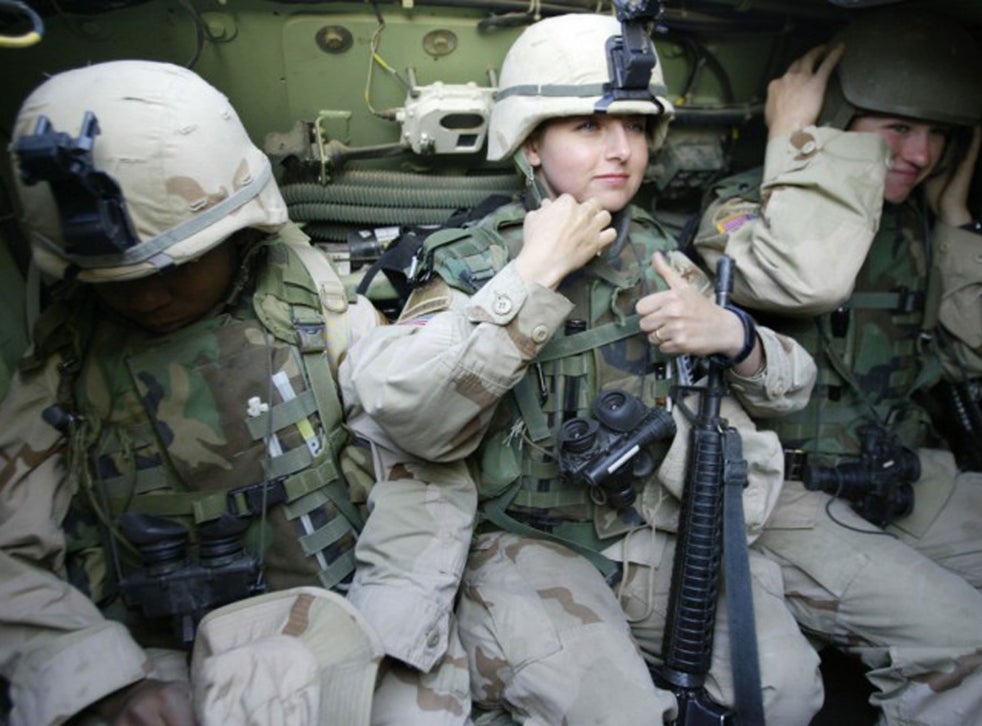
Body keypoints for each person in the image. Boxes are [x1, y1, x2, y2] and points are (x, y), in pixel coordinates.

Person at [341, 13, 825, 724]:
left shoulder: (663, 253)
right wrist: (533, 275)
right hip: (520, 546)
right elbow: (412, 415)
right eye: (590, 128)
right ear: (531, 145)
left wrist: (732, 335)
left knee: (785, 693)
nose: (622, 150)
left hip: (657, 528)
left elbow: (794, 388)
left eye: (635, 127)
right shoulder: (471, 263)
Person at [0, 60, 398, 725]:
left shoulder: (317, 311)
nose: (149, 296)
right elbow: (9, 556)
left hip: (332, 622)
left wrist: (385, 620)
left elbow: (417, 481)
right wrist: (105, 681)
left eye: (175, 266)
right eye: (114, 280)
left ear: (241, 231)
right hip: (139, 654)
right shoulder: (63, 361)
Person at [693, 8, 982, 723]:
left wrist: (952, 223)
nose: (920, 153)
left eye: (938, 135)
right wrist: (797, 146)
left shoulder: (913, 220)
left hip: (894, 468)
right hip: (786, 489)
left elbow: (967, 352)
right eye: (897, 129)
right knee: (961, 643)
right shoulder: (738, 206)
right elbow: (805, 281)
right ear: (836, 118)